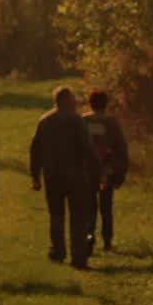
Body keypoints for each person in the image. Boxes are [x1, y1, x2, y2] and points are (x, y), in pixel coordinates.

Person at [29, 86, 101, 269]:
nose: (75, 102)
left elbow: (35, 150)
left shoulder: (44, 121)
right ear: (67, 101)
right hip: (75, 175)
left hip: (52, 175)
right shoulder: (76, 120)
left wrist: (35, 176)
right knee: (78, 218)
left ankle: (58, 251)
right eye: (73, 99)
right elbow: (88, 147)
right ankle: (78, 258)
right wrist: (97, 171)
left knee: (56, 215)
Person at [83, 90, 129, 252]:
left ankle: (89, 235)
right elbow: (121, 148)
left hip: (87, 171)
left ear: (90, 103)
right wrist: (121, 171)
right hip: (106, 171)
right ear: (106, 104)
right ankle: (107, 241)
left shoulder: (83, 121)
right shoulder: (111, 123)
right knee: (106, 207)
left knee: (89, 206)